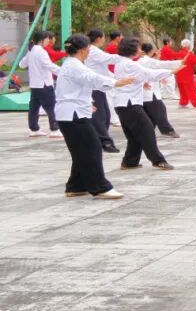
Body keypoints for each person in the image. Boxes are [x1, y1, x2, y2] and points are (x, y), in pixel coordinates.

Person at [55, 34, 136, 200]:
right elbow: (92, 78)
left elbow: (75, 88)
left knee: (81, 150)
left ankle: (76, 186)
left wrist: (87, 102)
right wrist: (115, 83)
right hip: (73, 115)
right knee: (92, 148)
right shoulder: (75, 66)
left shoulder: (70, 64)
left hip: (71, 113)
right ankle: (100, 187)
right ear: (83, 50)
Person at [113, 38, 180, 170]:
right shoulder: (130, 64)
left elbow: (140, 77)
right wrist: (171, 72)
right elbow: (149, 74)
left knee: (134, 135)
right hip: (129, 104)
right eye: (138, 48)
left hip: (123, 104)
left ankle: (129, 161)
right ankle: (157, 160)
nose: (140, 50)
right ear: (132, 49)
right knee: (147, 130)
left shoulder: (121, 63)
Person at [84, 29, 122, 153]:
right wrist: (128, 54)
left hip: (99, 87)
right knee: (100, 116)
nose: (104, 39)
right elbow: (110, 59)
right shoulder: (93, 51)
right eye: (103, 37)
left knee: (105, 115)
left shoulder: (94, 50)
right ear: (99, 38)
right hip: (94, 87)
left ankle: (100, 140)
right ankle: (105, 142)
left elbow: (103, 69)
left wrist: (115, 80)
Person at [21, 30, 62, 138]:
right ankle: (54, 130)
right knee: (51, 107)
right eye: (47, 38)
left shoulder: (31, 50)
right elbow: (49, 65)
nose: (49, 40)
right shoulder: (41, 51)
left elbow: (21, 65)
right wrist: (63, 72)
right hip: (44, 84)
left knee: (34, 108)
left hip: (35, 85)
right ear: (41, 40)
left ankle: (34, 129)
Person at [139, 43, 180, 138]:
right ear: (151, 51)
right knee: (160, 110)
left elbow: (154, 68)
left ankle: (147, 131)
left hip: (147, 90)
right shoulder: (146, 60)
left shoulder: (143, 60)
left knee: (150, 113)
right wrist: (180, 62)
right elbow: (161, 64)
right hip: (149, 91)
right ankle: (167, 130)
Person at [175, 38, 196, 109]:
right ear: (188, 46)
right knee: (192, 90)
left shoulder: (178, 53)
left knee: (182, 91)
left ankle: (183, 103)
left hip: (179, 75)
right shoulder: (189, 54)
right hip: (187, 75)